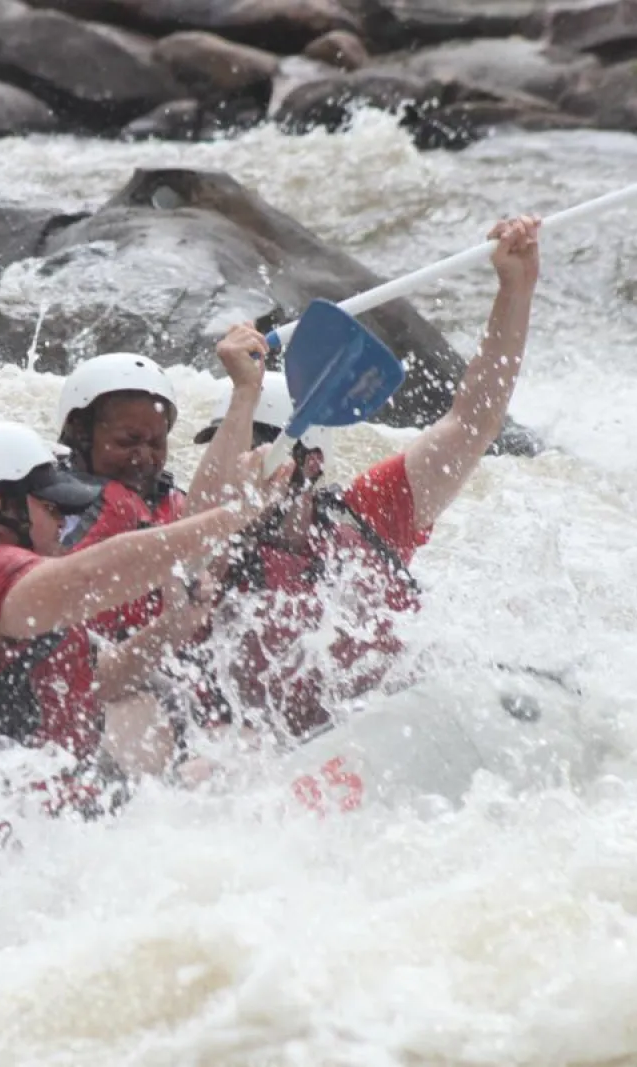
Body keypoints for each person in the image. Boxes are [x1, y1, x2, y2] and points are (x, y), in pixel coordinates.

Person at [0, 421, 292, 858]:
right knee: (226, 777)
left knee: (212, 762)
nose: (62, 524)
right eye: (50, 508)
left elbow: (94, 683)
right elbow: (96, 571)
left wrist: (175, 624)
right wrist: (238, 513)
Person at [188, 214, 544, 737]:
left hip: (371, 732)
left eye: (255, 440)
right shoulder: (204, 535)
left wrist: (516, 286)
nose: (243, 456)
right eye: (229, 439)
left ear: (311, 462)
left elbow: (473, 422)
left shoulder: (373, 513)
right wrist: (244, 395)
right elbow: (199, 525)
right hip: (247, 741)